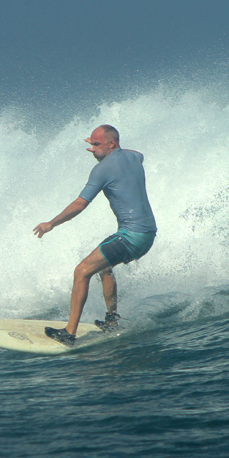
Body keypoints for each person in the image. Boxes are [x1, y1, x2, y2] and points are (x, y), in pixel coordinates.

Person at [33, 124, 156, 345]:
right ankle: (111, 320)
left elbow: (80, 204)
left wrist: (51, 223)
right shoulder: (135, 157)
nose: (93, 148)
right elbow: (134, 154)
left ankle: (69, 333)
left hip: (131, 236)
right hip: (147, 234)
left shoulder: (102, 169)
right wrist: (102, 150)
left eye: (96, 144)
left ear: (112, 143)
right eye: (92, 144)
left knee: (81, 271)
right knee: (103, 266)